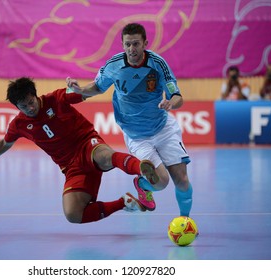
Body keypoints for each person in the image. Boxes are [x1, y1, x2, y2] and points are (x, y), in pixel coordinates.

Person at [0, 77, 159, 224]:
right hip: (71, 167)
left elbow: (84, 94)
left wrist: (78, 89)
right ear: (16, 106)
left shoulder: (56, 98)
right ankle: (124, 202)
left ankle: (141, 169)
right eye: (23, 106)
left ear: (35, 96)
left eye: (30, 102)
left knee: (104, 156)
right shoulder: (19, 124)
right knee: (73, 215)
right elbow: (4, 144)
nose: (29, 108)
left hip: (87, 143)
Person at [66, 23, 193, 217]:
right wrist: (80, 90)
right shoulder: (114, 65)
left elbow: (177, 96)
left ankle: (186, 221)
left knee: (182, 180)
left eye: (136, 44)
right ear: (122, 45)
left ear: (145, 44)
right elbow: (98, 87)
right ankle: (142, 184)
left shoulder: (158, 64)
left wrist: (171, 104)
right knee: (161, 182)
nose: (131, 49)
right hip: (137, 136)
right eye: (127, 44)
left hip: (163, 128)